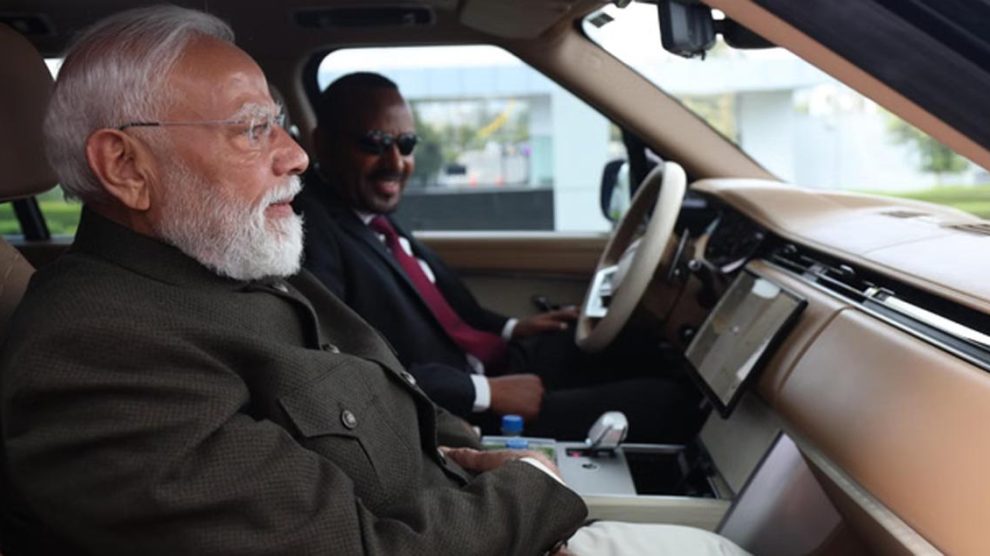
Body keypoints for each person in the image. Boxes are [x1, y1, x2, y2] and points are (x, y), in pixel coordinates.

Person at [0, 7, 751, 556]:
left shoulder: (225, 259)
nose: (296, 155)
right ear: (125, 166)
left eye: (282, 124)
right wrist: (533, 491)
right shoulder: (97, 357)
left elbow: (385, 393)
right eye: (253, 128)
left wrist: (474, 457)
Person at [295, 72, 704, 442]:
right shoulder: (312, 230)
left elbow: (444, 311)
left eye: (406, 144)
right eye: (374, 144)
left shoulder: (366, 213)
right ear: (322, 144)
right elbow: (347, 366)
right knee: (667, 404)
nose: (396, 162)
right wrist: (486, 393)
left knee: (639, 345)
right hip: (453, 410)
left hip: (488, 365)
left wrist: (512, 328)